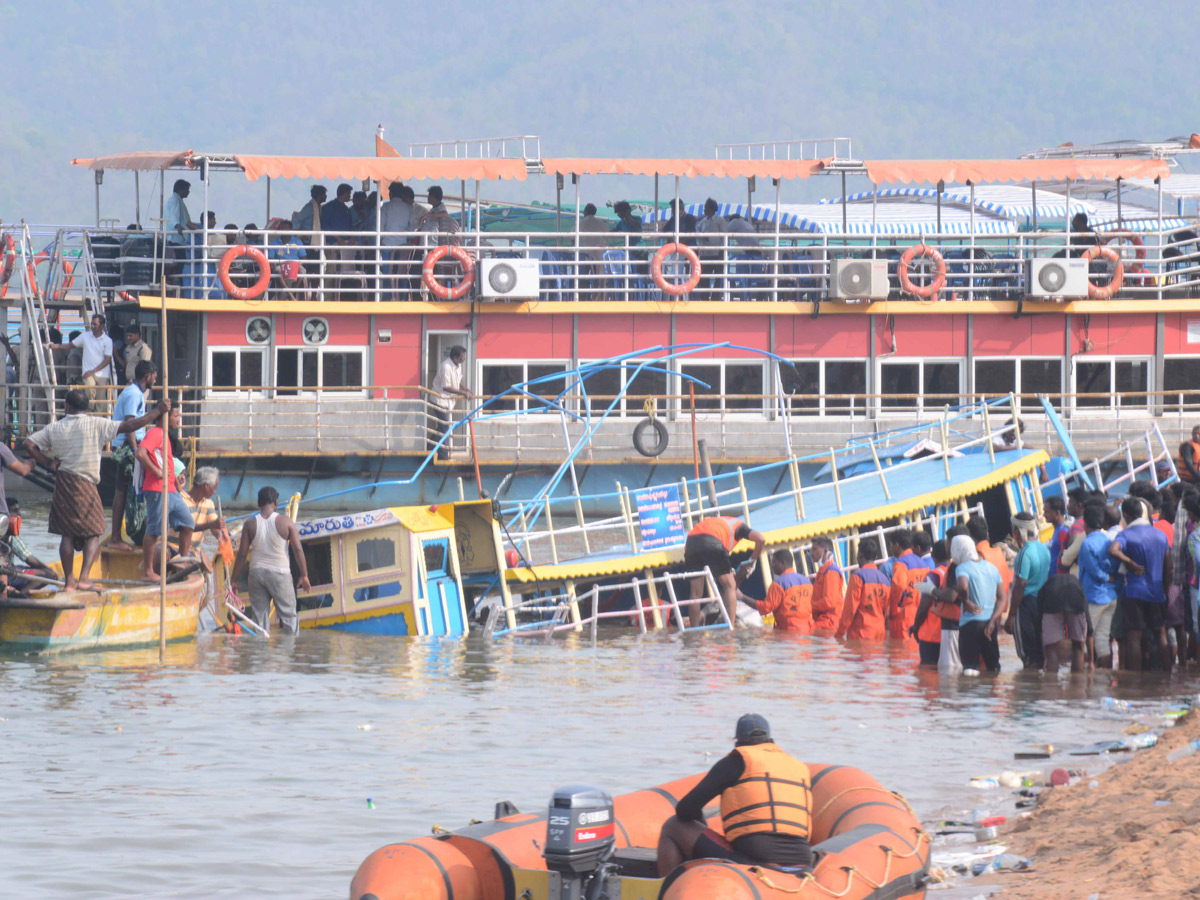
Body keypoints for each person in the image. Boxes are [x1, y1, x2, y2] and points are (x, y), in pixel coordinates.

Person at [23, 390, 168, 590]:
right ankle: (83, 578)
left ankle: (69, 583)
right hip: (86, 483)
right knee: (95, 531)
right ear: (87, 407)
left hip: (64, 482)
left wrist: (48, 462)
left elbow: (28, 444)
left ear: (68, 407)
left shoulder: (55, 428)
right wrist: (157, 412)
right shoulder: (96, 424)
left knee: (67, 534)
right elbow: (129, 425)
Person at [656, 714, 812, 876]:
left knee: (673, 825)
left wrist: (701, 821)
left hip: (755, 861)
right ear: (770, 740)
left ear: (738, 742)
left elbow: (685, 809)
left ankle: (667, 891)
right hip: (803, 862)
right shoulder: (798, 767)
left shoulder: (737, 761)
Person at [229, 486, 311, 635]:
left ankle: (260, 656)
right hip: (280, 574)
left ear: (259, 504)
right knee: (289, 618)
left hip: (256, 574)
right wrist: (304, 575)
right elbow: (298, 550)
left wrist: (233, 579)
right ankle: (288, 655)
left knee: (260, 621)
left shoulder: (249, 524)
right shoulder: (285, 522)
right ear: (276, 503)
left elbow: (241, 555)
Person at [1111, 495, 1173, 672]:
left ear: (1127, 516)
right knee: (1160, 634)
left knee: (1134, 638)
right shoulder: (1160, 535)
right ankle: (1167, 675)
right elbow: (1168, 567)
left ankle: (1135, 680)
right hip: (1157, 592)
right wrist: (1165, 591)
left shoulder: (1126, 534)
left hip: (1134, 593)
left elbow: (1113, 550)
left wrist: (1129, 562)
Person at [135, 401, 194, 581]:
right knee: (154, 531)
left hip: (171, 490)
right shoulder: (155, 433)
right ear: (166, 417)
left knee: (187, 524)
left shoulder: (165, 435)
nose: (178, 420)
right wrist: (157, 472)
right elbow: (140, 453)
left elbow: (166, 462)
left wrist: (175, 482)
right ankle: (148, 571)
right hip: (157, 490)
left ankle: (181, 561)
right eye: (176, 416)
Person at [108, 360, 158, 551]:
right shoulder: (133, 394)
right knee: (122, 490)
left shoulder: (137, 393)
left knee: (128, 490)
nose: (155, 379)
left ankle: (131, 532)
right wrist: (136, 449)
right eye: (154, 376)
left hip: (132, 445)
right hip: (126, 447)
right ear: (147, 377)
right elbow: (130, 425)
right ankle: (115, 537)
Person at [683, 515, 765, 627]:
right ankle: (731, 628)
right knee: (730, 586)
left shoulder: (717, 523)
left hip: (690, 543)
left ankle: (694, 630)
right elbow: (761, 539)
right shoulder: (739, 526)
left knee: (695, 593)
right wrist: (752, 560)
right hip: (712, 542)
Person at [948, 533, 1005, 674]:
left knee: (970, 670)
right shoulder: (992, 568)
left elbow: (962, 586)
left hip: (970, 625)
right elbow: (1003, 598)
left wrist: (966, 600)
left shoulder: (962, 567)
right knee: (993, 668)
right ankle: (992, 694)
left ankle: (969, 695)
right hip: (989, 625)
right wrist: (993, 622)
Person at [1004, 511, 1050, 669]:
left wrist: (1011, 615)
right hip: (1042, 603)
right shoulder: (1044, 549)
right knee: (1040, 653)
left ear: (1017, 532)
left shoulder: (1024, 554)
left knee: (1028, 656)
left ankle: (1028, 691)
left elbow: (1020, 585)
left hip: (1026, 605)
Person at [1078, 501, 1120, 668]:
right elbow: (1115, 566)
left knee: (1083, 638)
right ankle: (1104, 680)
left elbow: (1093, 570)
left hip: (1094, 596)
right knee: (1102, 639)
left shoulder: (1087, 543)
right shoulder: (1108, 540)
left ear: (1085, 524)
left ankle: (1083, 677)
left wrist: (1105, 578)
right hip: (1111, 596)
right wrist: (1110, 579)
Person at [912, 538, 959, 672]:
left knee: (928, 676)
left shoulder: (933, 575)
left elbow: (923, 608)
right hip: (950, 633)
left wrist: (915, 627)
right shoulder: (955, 572)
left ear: (933, 555)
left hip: (931, 636)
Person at [737, 548, 812, 633]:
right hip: (808, 629)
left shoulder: (778, 583)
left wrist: (742, 597)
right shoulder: (807, 581)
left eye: (774, 562)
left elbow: (766, 608)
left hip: (788, 631)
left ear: (782, 563)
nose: (772, 566)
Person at [59, 314, 114, 413]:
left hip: (102, 374)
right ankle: (89, 411)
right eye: (92, 324)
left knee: (101, 403)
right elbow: (71, 345)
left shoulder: (108, 341)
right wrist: (56, 346)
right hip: (87, 373)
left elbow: (107, 360)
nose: (92, 326)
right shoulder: (85, 336)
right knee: (89, 390)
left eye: (95, 324)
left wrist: (93, 371)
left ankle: (97, 424)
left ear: (102, 326)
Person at [836, 540, 889, 640]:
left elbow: (849, 610)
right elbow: (886, 611)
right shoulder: (885, 580)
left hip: (861, 634)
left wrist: (839, 634)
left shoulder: (857, 577)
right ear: (875, 557)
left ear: (860, 556)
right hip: (880, 635)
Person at [0, 500, 54, 596]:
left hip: (8, 571)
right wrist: (50, 572)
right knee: (49, 575)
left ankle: (12, 590)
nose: (19, 514)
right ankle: (20, 595)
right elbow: (30, 559)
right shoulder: (9, 535)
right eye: (15, 511)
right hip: (6, 573)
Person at [1040, 572, 1088, 673]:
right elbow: (1088, 619)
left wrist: (1045, 657)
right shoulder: (1076, 584)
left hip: (1053, 600)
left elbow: (1039, 622)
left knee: (1052, 649)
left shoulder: (1047, 585)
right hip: (1075, 600)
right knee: (1078, 648)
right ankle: (1077, 685)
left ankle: (1051, 685)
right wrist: (1091, 661)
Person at [887, 529, 929, 643]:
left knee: (901, 655)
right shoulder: (923, 564)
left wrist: (897, 606)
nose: (890, 549)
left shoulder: (901, 563)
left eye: (890, 545)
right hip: (920, 614)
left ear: (897, 545)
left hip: (903, 616)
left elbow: (899, 586)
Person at [429, 345, 471, 460]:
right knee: (445, 427)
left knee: (443, 427)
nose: (464, 358)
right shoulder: (446, 366)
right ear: (455, 357)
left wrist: (464, 388)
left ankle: (430, 446)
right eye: (463, 356)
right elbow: (446, 387)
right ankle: (442, 455)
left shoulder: (458, 366)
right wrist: (462, 393)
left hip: (448, 401)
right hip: (439, 400)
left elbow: (458, 380)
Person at [379, 181, 416, 298]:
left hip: (387, 244)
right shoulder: (408, 208)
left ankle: (387, 297)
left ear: (391, 193)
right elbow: (412, 230)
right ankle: (403, 298)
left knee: (387, 273)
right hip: (403, 245)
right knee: (402, 273)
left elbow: (380, 227)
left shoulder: (385, 207)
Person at [181, 466, 225, 553]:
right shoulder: (181, 499)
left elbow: (214, 527)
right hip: (172, 546)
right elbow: (187, 527)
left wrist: (221, 536)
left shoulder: (209, 503)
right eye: (214, 488)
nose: (215, 492)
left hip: (193, 551)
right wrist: (211, 524)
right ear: (206, 486)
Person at [809, 536, 845, 636]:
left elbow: (829, 602)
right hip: (823, 622)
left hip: (828, 623)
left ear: (825, 551)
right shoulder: (824, 570)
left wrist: (808, 606)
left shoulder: (831, 571)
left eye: (814, 549)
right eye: (811, 550)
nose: (811, 553)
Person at [268, 222, 308, 301]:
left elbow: (304, 257)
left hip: (295, 265)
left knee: (302, 271)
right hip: (281, 265)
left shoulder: (297, 241)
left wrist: (299, 263)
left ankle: (290, 295)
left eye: (287, 228)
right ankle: (291, 296)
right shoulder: (275, 243)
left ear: (291, 229)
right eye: (283, 228)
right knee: (278, 270)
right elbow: (270, 258)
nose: (285, 230)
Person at [1056, 487, 1089, 574]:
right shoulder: (1085, 522)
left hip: (1068, 577)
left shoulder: (1077, 525)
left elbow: (1073, 550)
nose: (1067, 506)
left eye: (1070, 503)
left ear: (1078, 505)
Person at [165, 179, 200, 248]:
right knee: (181, 256)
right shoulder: (175, 201)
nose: (188, 192)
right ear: (180, 190)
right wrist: (178, 226)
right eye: (187, 190)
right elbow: (174, 215)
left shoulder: (176, 200)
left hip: (177, 238)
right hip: (176, 238)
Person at [1044, 496, 1070, 575]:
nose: (1044, 515)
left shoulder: (1064, 531)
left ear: (1057, 513)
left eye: (1047, 512)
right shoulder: (1057, 529)